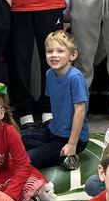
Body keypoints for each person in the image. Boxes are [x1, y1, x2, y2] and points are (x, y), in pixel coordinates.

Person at [22, 30, 89, 172]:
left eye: (60, 51)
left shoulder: (75, 78)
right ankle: (52, 151)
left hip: (72, 138)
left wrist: (72, 143)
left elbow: (80, 111)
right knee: (21, 138)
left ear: (72, 55)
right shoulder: (49, 74)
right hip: (54, 130)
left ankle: (67, 156)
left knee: (28, 159)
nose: (54, 55)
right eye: (49, 51)